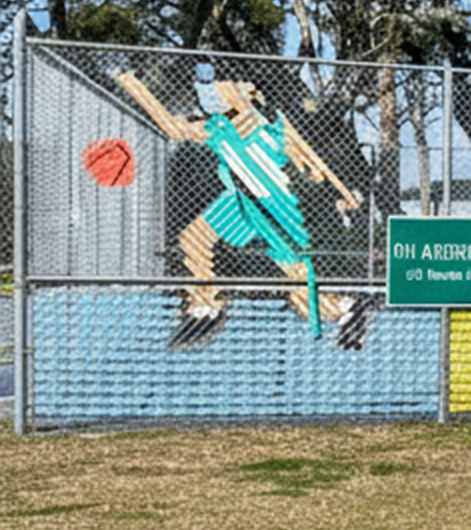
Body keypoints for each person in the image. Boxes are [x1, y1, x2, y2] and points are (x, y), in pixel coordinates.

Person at [114, 70, 375, 350]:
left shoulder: (272, 128)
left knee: (298, 290)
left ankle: (346, 309)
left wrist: (343, 193)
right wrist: (129, 82)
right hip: (240, 202)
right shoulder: (220, 127)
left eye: (223, 86)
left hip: (272, 207)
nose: (215, 92)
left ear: (247, 92)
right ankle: (206, 304)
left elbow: (313, 166)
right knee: (193, 240)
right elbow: (173, 128)